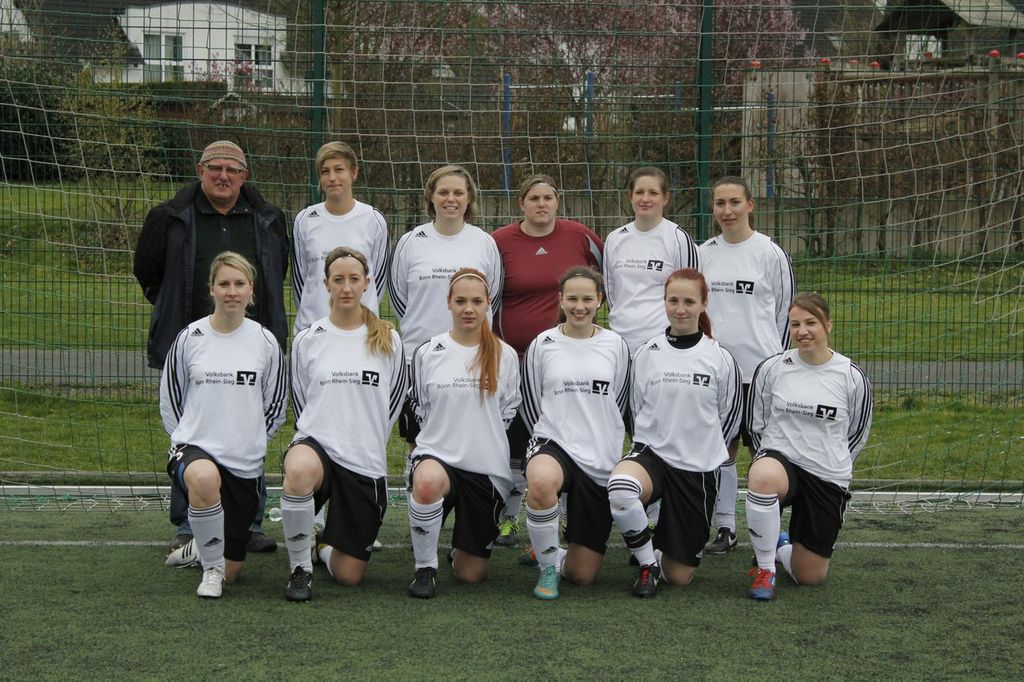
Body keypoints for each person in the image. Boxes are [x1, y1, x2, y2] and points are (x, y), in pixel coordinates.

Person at [134, 140, 288, 553]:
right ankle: (189, 523)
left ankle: (248, 522)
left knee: (247, 425)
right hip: (191, 345)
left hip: (250, 342)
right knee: (191, 427)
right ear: (199, 170)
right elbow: (147, 272)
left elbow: (276, 271)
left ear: (244, 176)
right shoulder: (169, 217)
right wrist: (175, 309)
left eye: (232, 170)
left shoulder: (269, 218)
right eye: (215, 168)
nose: (223, 176)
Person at [279, 247, 406, 601]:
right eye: (338, 280)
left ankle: (321, 548)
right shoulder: (308, 339)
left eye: (354, 279)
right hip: (318, 446)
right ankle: (299, 570)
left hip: (364, 458)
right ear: (326, 284)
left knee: (349, 576)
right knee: (299, 469)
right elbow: (302, 401)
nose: (346, 287)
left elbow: (394, 399)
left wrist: (368, 435)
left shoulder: (388, 339)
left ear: (367, 283)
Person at [159, 252, 287, 598]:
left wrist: (251, 439)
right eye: (224, 284)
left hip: (243, 460)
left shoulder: (265, 342)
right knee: (203, 477)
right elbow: (171, 398)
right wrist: (184, 438)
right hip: (194, 450)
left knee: (234, 571)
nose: (232, 291)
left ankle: (200, 550)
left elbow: (275, 405)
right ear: (211, 289)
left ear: (251, 290)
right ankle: (210, 571)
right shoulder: (191, 337)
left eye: (239, 284)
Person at [607, 268, 742, 597]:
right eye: (673, 301)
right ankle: (647, 564)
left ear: (704, 304)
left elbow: (728, 420)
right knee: (621, 488)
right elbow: (635, 409)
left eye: (689, 302)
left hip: (696, 467)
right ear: (664, 302)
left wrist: (700, 447)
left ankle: (660, 550)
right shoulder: (647, 353)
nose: (680, 309)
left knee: (679, 577)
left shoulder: (720, 358)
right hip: (652, 456)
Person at [491, 174, 604, 548]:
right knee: (513, 436)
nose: (541, 204)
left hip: (568, 359)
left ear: (558, 201)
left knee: (566, 433)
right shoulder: (500, 242)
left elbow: (606, 283)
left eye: (548, 198)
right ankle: (508, 518)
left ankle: (568, 515)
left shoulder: (580, 237)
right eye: (534, 198)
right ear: (521, 203)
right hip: (514, 358)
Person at [744, 293, 873, 600]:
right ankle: (765, 569)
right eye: (795, 324)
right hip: (782, 463)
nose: (802, 331)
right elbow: (756, 424)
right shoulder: (772, 368)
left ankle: (781, 548)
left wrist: (831, 462)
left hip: (826, 473)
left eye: (810, 323)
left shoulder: (851, 376)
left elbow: (857, 433)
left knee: (810, 576)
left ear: (828, 325)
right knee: (763, 476)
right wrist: (764, 459)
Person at [405, 268, 520, 599]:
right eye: (460, 301)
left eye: (476, 301)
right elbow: (420, 409)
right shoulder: (429, 352)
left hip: (485, 469)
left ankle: (460, 550)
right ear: (448, 303)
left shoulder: (505, 355)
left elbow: (507, 413)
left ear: (488, 304)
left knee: (470, 575)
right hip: (438, 458)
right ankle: (425, 568)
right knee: (427, 481)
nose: (468, 309)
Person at [519, 266, 630, 600]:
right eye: (572, 299)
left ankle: (551, 552)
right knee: (541, 481)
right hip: (553, 443)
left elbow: (619, 402)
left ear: (600, 301)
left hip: (599, 457)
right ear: (560, 300)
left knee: (583, 576)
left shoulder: (616, 345)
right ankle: (547, 569)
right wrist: (548, 435)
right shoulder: (543, 344)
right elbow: (531, 402)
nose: (579, 306)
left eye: (587, 299)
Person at [699, 176, 795, 555]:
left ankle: (768, 532)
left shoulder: (771, 253)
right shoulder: (702, 253)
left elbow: (785, 315)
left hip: (761, 374)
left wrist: (777, 367)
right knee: (722, 448)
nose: (727, 211)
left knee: (766, 454)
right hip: (717, 373)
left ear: (750, 205)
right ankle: (726, 527)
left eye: (735, 202)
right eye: (720, 203)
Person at [291, 142, 390, 335]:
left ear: (353, 173)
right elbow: (300, 281)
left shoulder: (374, 220)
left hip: (360, 332)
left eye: (339, 169)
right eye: (325, 171)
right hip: (314, 331)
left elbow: (377, 281)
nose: (332, 178)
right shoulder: (305, 220)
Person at [603, 166, 700, 354]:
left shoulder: (678, 238)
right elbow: (612, 293)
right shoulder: (615, 239)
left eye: (653, 193)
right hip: (620, 342)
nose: (645, 199)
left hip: (663, 343)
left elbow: (693, 292)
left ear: (665, 198)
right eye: (639, 192)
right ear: (630, 196)